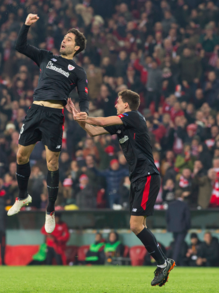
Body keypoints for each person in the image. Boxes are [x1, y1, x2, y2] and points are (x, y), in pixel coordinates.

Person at [68, 90, 174, 286]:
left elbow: (99, 122)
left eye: (118, 102)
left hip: (147, 175)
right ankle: (162, 263)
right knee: (139, 226)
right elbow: (93, 131)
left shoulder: (133, 116)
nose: (115, 104)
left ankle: (162, 262)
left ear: (126, 105)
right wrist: (77, 118)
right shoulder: (122, 125)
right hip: (138, 178)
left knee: (135, 226)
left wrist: (85, 116)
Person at [7, 14, 89, 234]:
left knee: (52, 163)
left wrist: (84, 112)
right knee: (20, 156)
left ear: (77, 47)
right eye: (64, 38)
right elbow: (20, 45)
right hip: (35, 111)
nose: (64, 40)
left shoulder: (78, 72)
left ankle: (50, 210)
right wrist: (25, 25)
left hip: (54, 115)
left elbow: (84, 96)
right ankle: (23, 197)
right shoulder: (46, 57)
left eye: (69, 39)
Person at [166, 190, 191, 266]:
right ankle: (174, 262)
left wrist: (169, 225)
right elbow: (187, 218)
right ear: (182, 196)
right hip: (182, 228)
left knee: (177, 244)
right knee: (178, 245)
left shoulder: (170, 205)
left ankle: (179, 262)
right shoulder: (184, 204)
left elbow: (167, 217)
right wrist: (188, 227)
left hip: (173, 227)